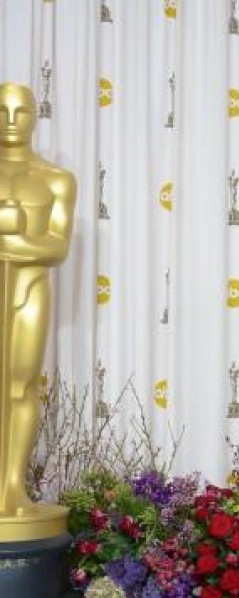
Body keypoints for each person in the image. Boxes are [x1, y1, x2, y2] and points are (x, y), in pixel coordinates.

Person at [0, 82, 76, 516]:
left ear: (34, 115)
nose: (12, 122)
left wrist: (11, 240)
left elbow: (56, 247)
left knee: (19, 386)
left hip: (27, 290)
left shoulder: (55, 180)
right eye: (3, 111)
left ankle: (13, 486)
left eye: (21, 112)